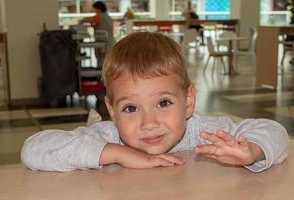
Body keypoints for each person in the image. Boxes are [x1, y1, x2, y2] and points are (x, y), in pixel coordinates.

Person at [21, 32, 290, 172]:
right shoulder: (109, 137)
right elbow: (33, 149)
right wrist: (118, 154)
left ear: (189, 101)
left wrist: (252, 151)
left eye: (163, 103)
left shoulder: (207, 135)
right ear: (112, 111)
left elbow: (275, 131)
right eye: (130, 108)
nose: (148, 123)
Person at [79, 1, 115, 67]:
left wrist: (81, 21)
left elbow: (87, 20)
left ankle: (100, 77)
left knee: (102, 63)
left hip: (103, 43)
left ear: (99, 9)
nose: (94, 11)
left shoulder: (99, 16)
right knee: (108, 64)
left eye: (95, 9)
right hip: (110, 42)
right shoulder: (108, 17)